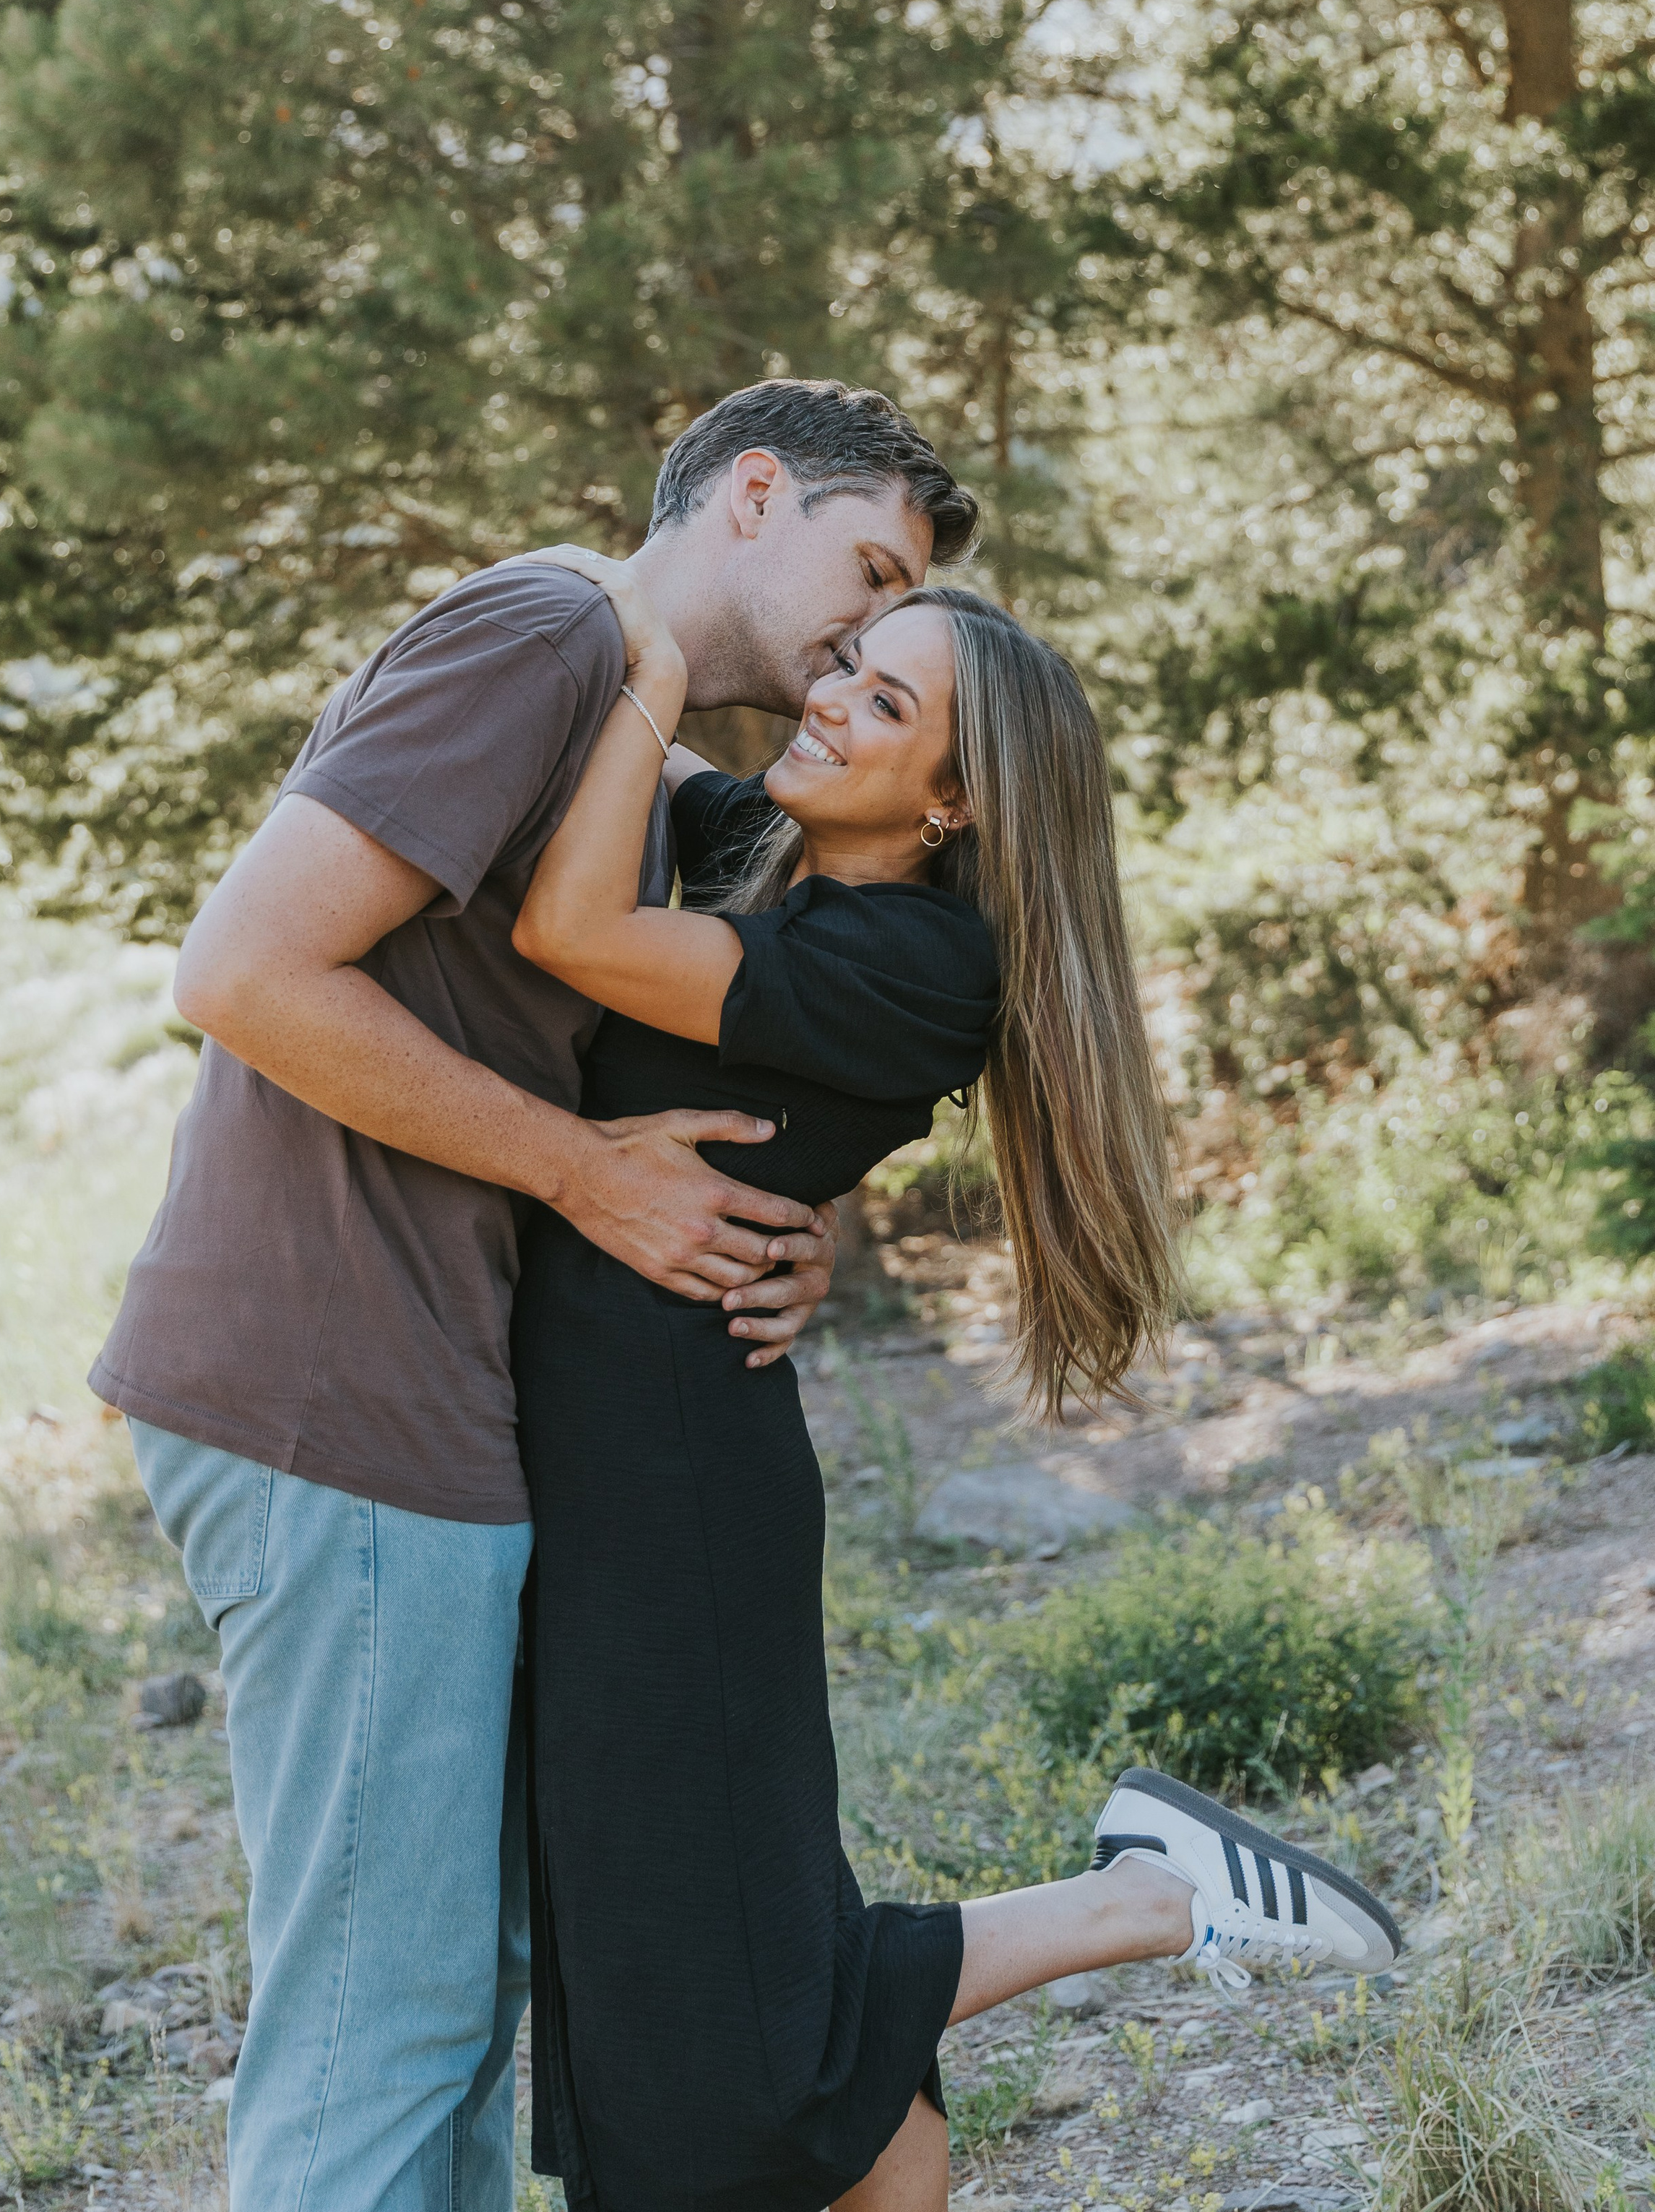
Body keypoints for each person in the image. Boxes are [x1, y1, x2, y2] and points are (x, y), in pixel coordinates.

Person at [87, 381, 980, 2212]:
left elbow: (678, 1020)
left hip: (424, 1397)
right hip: (337, 1388)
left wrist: (776, 1214)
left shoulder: (628, 723)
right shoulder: (555, 631)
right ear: (752, 493)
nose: (856, 638)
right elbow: (242, 970)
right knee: (380, 2033)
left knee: (440, 2011)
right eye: (869, 574)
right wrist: (583, 1173)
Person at [506, 556, 1404, 2212]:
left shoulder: (918, 957)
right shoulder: (779, 853)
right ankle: (1125, 1906)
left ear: (955, 801)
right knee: (691, 1974)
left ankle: (1143, 1901)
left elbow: (564, 926)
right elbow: (656, 762)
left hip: (666, 1483)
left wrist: (633, 634)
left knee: (706, 2026)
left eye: (883, 700)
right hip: (628, 1453)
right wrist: (623, 601)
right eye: (843, 663)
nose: (826, 701)